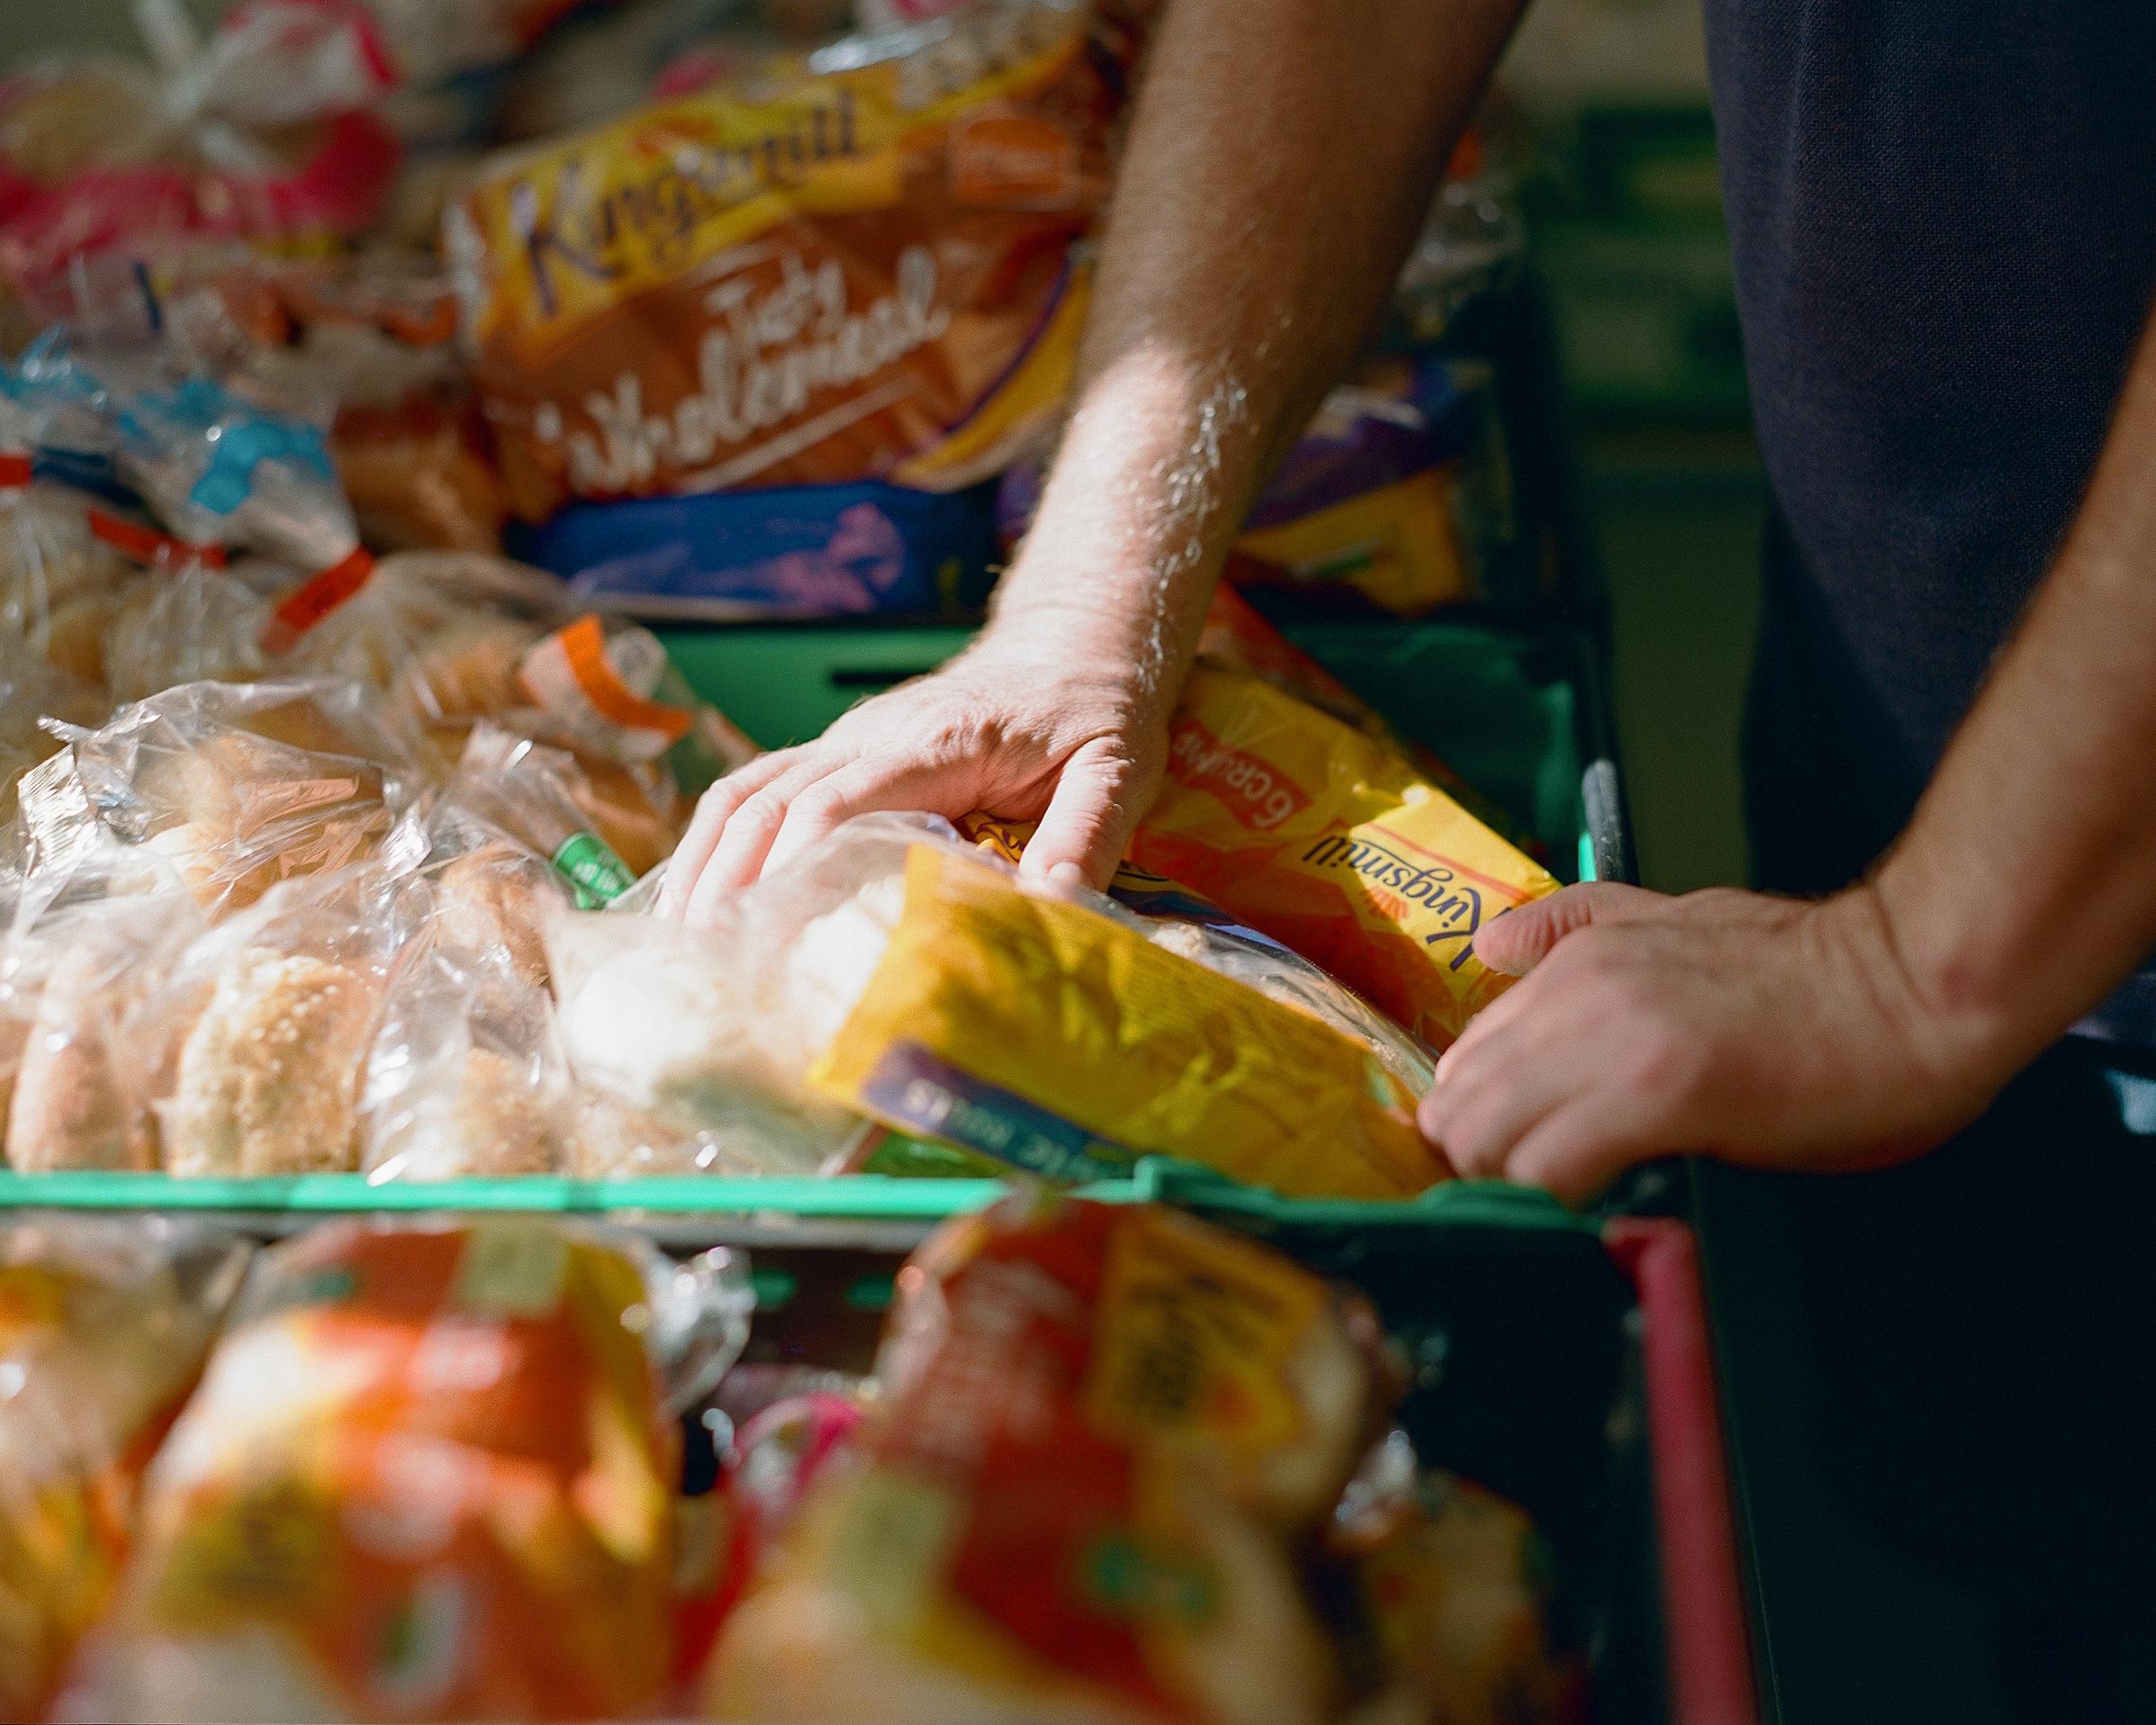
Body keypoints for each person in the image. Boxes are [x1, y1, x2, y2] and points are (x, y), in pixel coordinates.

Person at [663, 5, 2156, 1713]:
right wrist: (1089, 597)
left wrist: (1925, 963)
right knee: (2027, 1533)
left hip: (2047, 882)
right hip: (1915, 740)